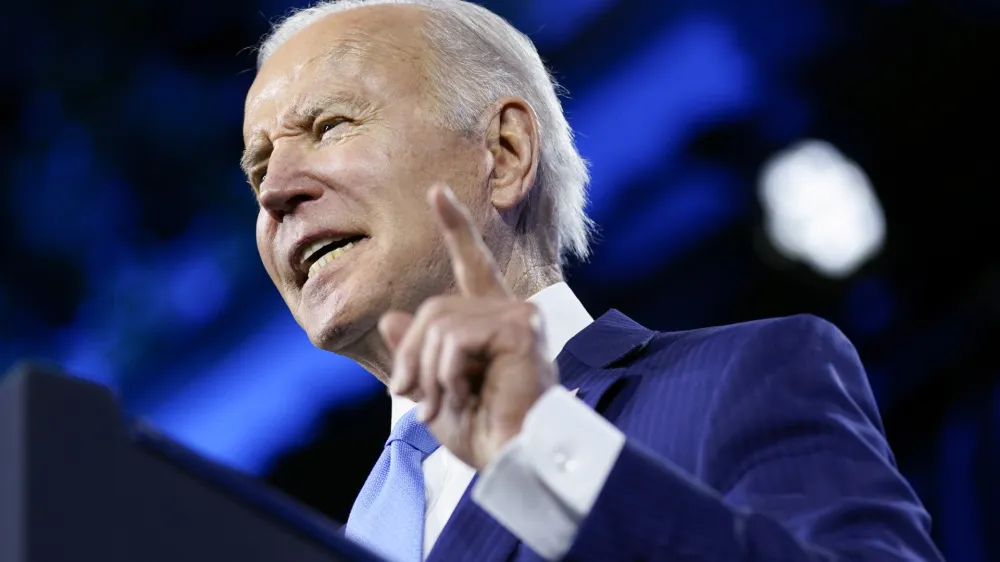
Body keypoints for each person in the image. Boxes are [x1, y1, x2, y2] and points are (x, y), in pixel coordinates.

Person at [242, 1, 943, 560]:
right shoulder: (319, 540)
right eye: (258, 168)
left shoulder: (742, 376)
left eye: (330, 125)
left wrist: (548, 452)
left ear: (504, 152)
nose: (274, 192)